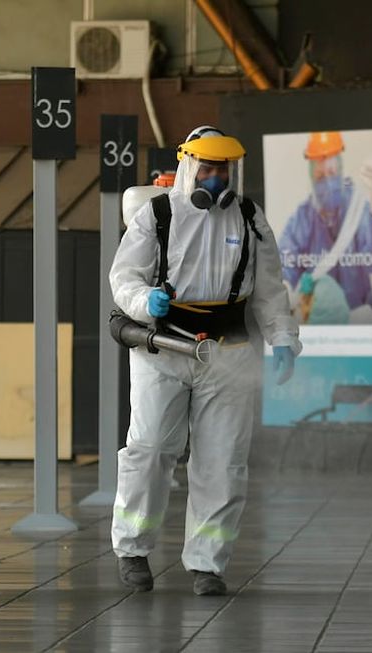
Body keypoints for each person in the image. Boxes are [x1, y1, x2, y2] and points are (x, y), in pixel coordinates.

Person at [109, 126, 302, 596]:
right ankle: (133, 549)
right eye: (207, 167)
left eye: (223, 169)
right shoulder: (156, 214)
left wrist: (283, 339)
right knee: (151, 449)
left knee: (223, 462)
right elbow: (123, 277)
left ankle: (207, 564)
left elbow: (270, 289)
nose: (215, 178)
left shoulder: (250, 219)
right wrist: (143, 301)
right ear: (188, 164)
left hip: (229, 351)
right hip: (162, 348)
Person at [278, 131, 372, 321]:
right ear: (312, 179)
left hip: (357, 317)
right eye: (320, 176)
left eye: (332, 173)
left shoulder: (357, 208)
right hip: (319, 321)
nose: (328, 182)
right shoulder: (303, 217)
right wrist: (283, 288)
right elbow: (284, 260)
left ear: (340, 171)